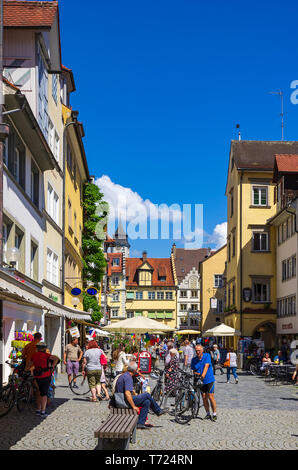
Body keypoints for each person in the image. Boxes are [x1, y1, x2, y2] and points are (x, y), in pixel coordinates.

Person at [114, 361, 168, 429]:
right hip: (124, 401)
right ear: (134, 370)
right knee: (147, 395)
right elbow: (127, 394)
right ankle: (158, 410)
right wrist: (133, 406)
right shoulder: (128, 377)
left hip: (121, 399)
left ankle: (140, 423)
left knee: (147, 402)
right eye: (137, 370)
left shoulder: (124, 375)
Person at [31, 343, 59, 417]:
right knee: (44, 394)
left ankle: (38, 409)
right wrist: (52, 366)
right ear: (44, 348)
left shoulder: (34, 355)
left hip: (37, 376)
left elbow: (32, 364)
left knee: (38, 392)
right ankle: (43, 411)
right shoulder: (46, 355)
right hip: (45, 375)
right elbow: (56, 358)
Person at [191, 345, 217, 421]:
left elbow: (206, 366)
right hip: (200, 381)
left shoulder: (207, 356)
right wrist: (197, 374)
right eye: (196, 351)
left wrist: (202, 376)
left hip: (209, 379)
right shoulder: (194, 360)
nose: (197, 352)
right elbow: (194, 370)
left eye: (199, 350)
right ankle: (208, 413)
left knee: (211, 396)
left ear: (202, 350)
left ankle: (214, 413)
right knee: (204, 397)